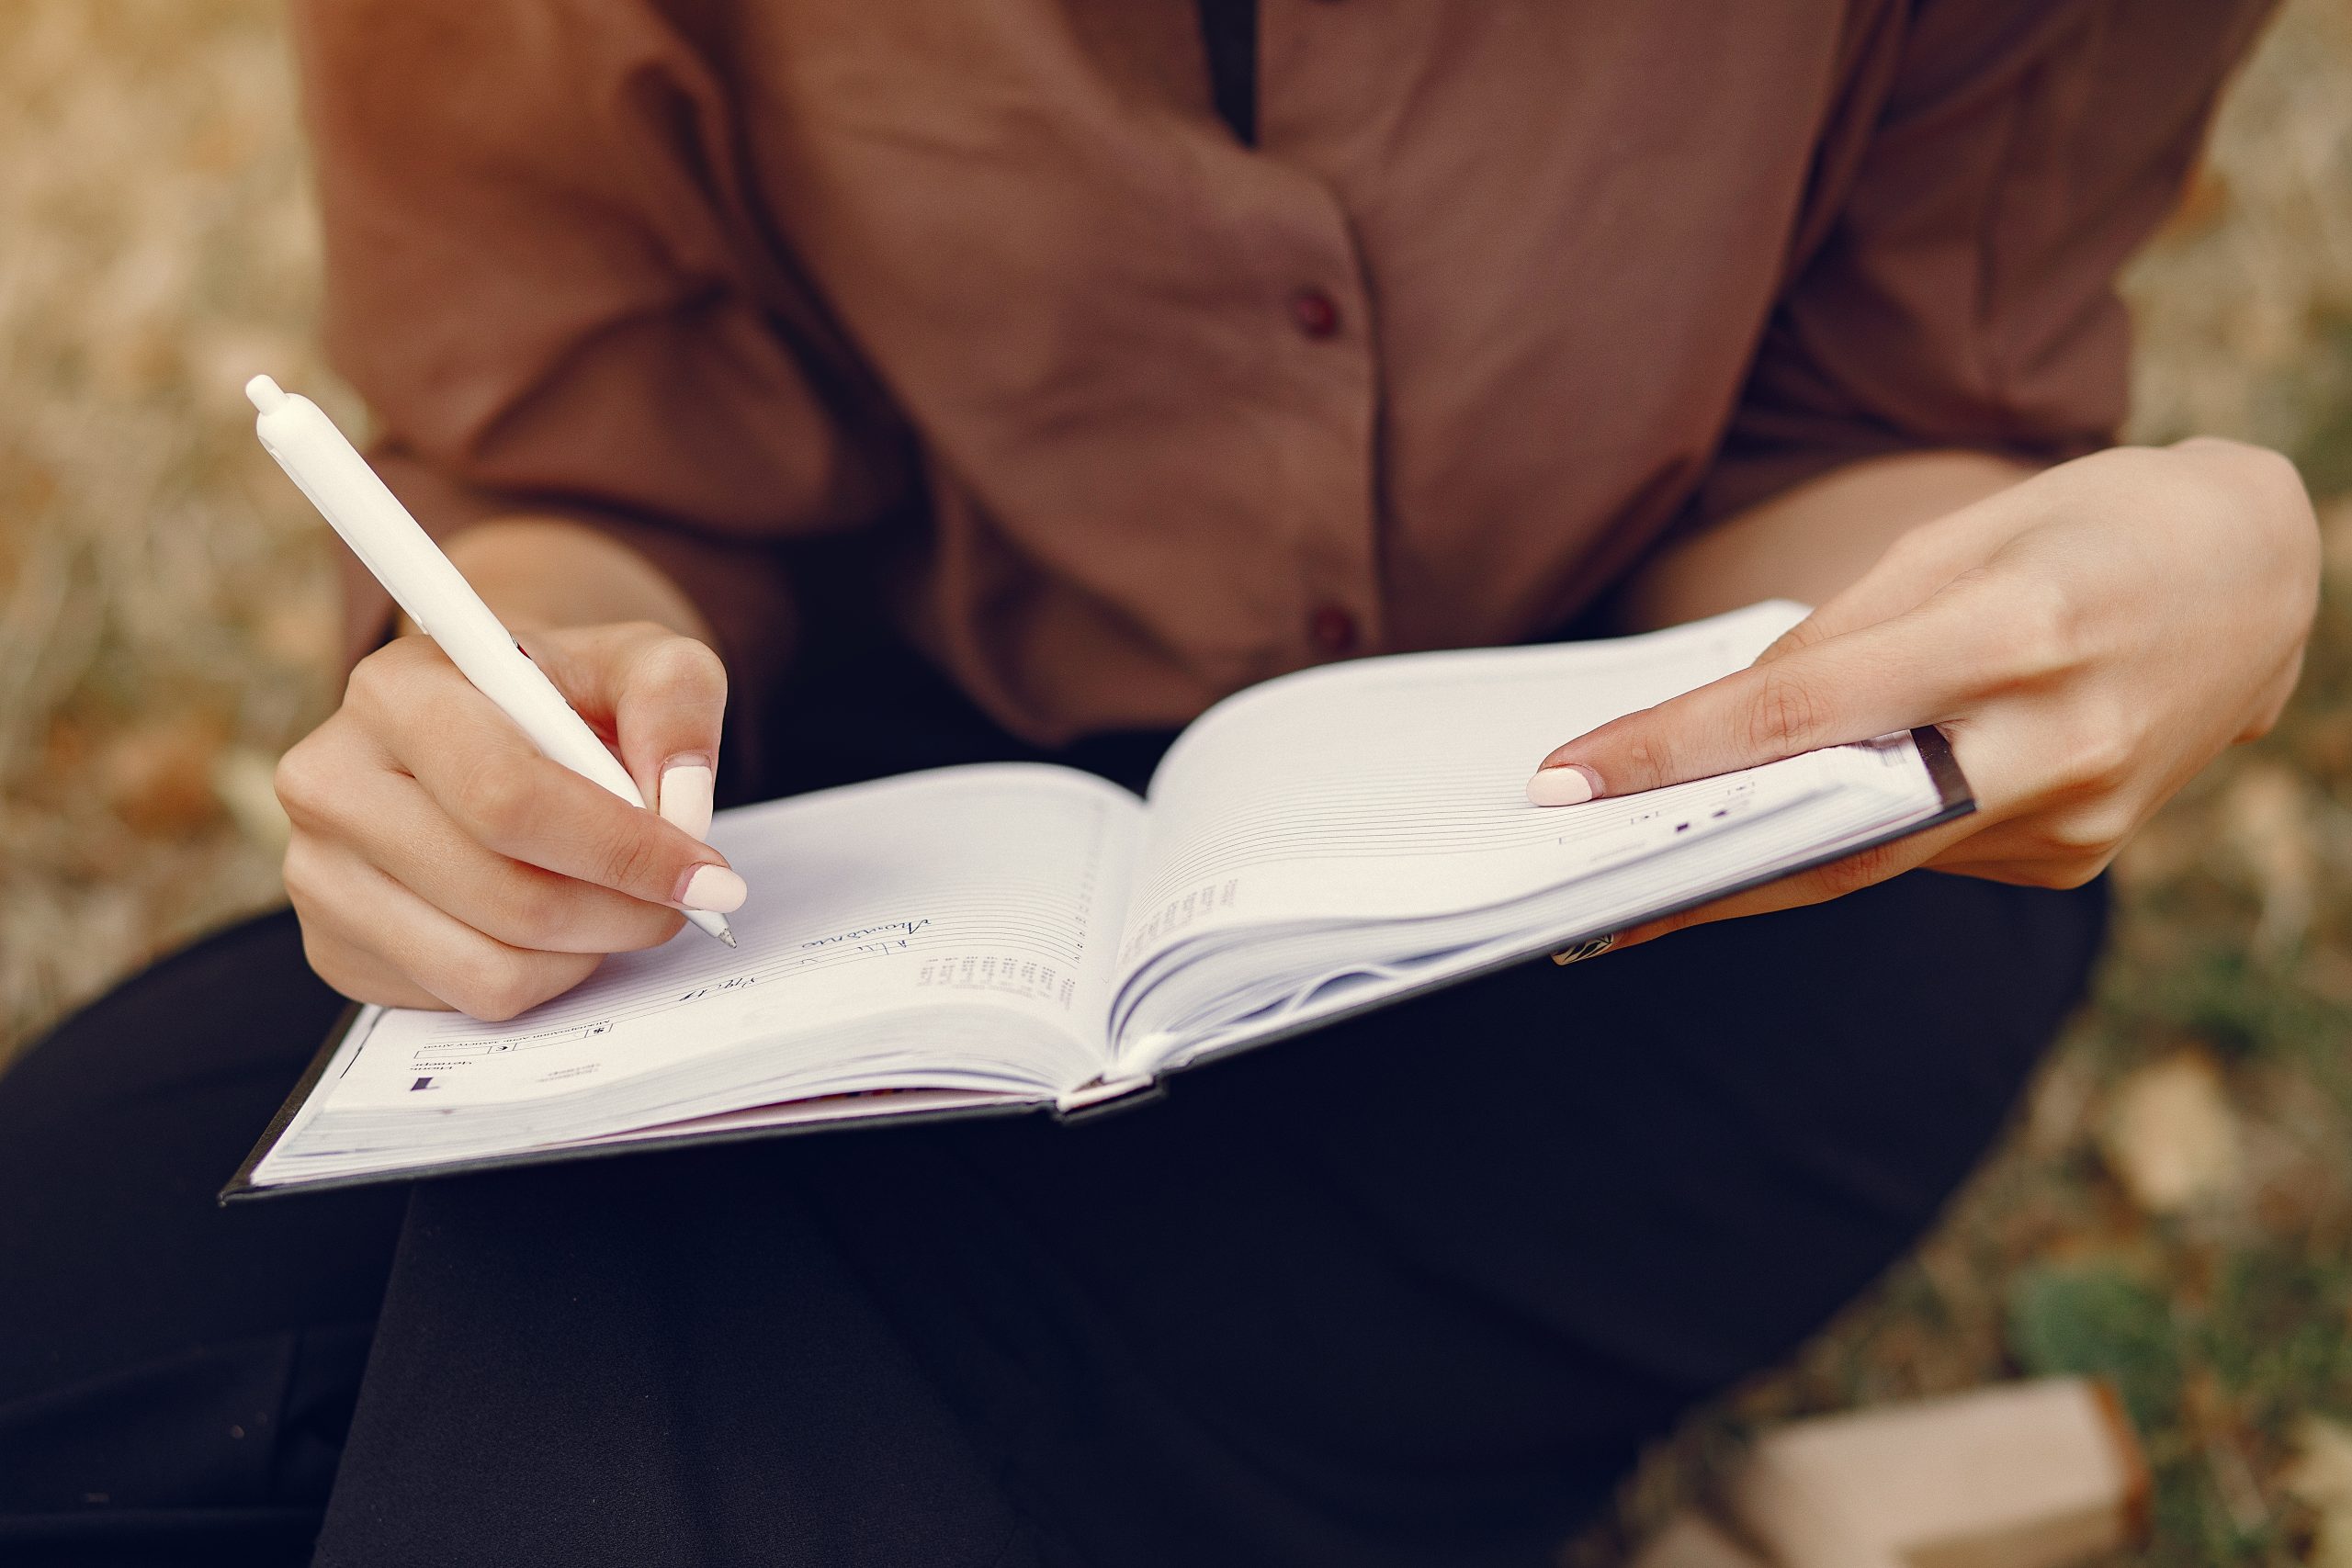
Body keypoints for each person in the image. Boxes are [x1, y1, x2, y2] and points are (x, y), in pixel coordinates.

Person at [0, 3, 2320, 1564]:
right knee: (74, 1297)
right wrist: (522, 692)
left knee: (671, 1393)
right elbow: (585, 452)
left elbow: (1868, 431)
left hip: (1670, 896)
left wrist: (2145, 574)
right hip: (849, 857)